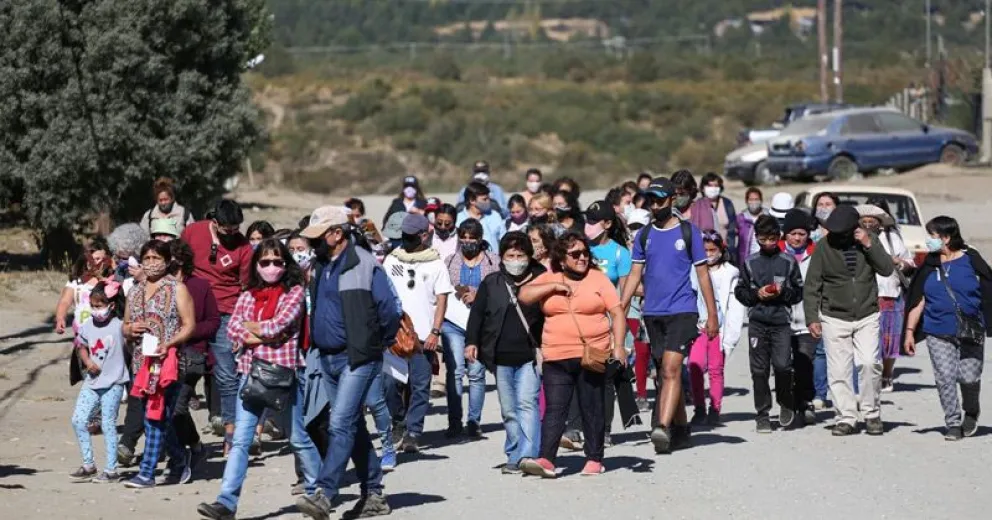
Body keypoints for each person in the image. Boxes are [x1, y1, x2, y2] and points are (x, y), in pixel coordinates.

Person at [197, 238, 320, 519]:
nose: (271, 267)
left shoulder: (295, 292)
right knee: (241, 440)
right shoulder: (247, 294)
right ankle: (226, 502)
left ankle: (317, 489)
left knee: (298, 437)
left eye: (278, 261)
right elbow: (232, 332)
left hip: (283, 374)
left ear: (285, 263)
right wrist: (262, 333)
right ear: (256, 265)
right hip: (250, 374)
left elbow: (280, 325)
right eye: (265, 262)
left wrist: (253, 332)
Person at [292, 207, 400, 520]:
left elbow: (390, 310)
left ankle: (324, 494)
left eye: (319, 235)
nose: (313, 243)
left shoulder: (365, 264)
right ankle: (374, 494)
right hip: (327, 358)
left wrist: (374, 343)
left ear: (337, 234)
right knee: (354, 427)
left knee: (340, 424)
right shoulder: (321, 265)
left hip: (358, 358)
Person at [620, 178, 718, 454]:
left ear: (672, 200)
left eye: (660, 200)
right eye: (651, 200)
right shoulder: (644, 235)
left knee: (671, 370)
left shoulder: (689, 233)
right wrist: (622, 306)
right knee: (664, 373)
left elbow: (702, 274)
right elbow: (635, 273)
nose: (655, 205)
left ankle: (662, 427)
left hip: (682, 311)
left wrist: (712, 314)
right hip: (653, 313)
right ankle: (683, 429)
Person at [518, 232, 626, 478]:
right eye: (575, 254)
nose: (582, 258)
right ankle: (546, 458)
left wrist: (618, 347)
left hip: (591, 353)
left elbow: (617, 313)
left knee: (592, 406)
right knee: (555, 408)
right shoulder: (549, 277)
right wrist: (553, 286)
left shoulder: (598, 279)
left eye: (585, 253)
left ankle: (594, 458)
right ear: (562, 258)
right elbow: (524, 296)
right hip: (556, 355)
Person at [804, 205, 894, 436]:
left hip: (867, 314)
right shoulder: (824, 246)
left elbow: (885, 269)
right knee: (839, 370)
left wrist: (868, 244)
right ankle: (845, 417)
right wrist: (812, 317)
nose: (838, 236)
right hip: (834, 316)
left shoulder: (869, 239)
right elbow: (812, 284)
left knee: (868, 363)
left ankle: (871, 413)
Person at [464, 231, 547, 473]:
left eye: (521, 254)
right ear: (502, 256)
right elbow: (477, 315)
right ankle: (513, 453)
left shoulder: (541, 278)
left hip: (529, 357)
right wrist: (472, 341)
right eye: (511, 255)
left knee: (527, 403)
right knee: (509, 410)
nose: (516, 259)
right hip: (500, 358)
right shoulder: (492, 282)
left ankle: (528, 455)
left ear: (529, 256)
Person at [903, 216, 991, 441]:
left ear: (947, 237)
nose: (928, 241)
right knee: (944, 377)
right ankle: (952, 422)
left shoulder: (971, 259)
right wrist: (910, 332)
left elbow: (988, 289)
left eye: (932, 236)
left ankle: (971, 413)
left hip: (970, 329)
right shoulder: (929, 265)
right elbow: (917, 300)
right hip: (937, 330)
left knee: (969, 376)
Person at [181, 200, 253, 454]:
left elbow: (246, 286)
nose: (232, 234)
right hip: (192, 308)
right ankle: (181, 437)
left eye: (236, 229)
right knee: (183, 370)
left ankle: (231, 434)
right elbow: (179, 261)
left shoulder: (244, 247)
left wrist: (242, 321)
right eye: (227, 230)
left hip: (226, 312)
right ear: (215, 223)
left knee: (226, 374)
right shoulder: (194, 232)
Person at [123, 240, 196, 488]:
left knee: (155, 415)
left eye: (157, 258)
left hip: (169, 362)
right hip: (141, 363)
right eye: (147, 258)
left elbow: (189, 325)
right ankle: (179, 459)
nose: (152, 263)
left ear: (167, 261)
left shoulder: (177, 289)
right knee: (156, 415)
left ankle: (147, 472)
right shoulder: (134, 291)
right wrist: (130, 329)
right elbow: (124, 325)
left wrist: (170, 343)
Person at [382, 213, 453, 453]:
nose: (406, 240)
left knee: (420, 385)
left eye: (411, 237)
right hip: (395, 335)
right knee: (390, 384)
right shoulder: (392, 260)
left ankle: (413, 431)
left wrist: (435, 331)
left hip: (424, 336)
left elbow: (442, 299)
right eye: (404, 236)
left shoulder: (435, 263)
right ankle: (398, 422)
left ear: (424, 235)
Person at [734, 215, 804, 432]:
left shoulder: (788, 262)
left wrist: (784, 292)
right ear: (757, 238)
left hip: (781, 322)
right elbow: (740, 291)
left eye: (773, 238)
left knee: (783, 366)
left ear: (779, 237)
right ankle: (762, 413)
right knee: (759, 370)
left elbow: (799, 292)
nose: (769, 243)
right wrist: (757, 294)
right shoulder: (749, 262)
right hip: (757, 322)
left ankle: (786, 402)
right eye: (764, 239)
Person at [440, 219, 498, 437]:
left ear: (480, 239)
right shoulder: (449, 261)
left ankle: (474, 421)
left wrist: (478, 294)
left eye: (471, 239)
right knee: (455, 371)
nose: (467, 243)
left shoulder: (494, 261)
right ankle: (454, 422)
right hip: (453, 322)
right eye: (462, 239)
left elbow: (499, 289)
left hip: (481, 324)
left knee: (476, 372)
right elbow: (442, 289)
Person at [168, 240, 219, 484]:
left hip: (192, 355)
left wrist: (188, 330)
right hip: (160, 355)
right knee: (163, 408)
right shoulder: (155, 288)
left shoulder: (200, 286)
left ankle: (183, 456)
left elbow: (213, 321)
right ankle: (194, 446)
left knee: (177, 407)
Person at [68, 281, 129, 483]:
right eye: (93, 306)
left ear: (111, 305)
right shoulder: (87, 326)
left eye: (99, 305)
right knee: (78, 420)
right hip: (92, 382)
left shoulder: (121, 326)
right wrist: (87, 362)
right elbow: (81, 345)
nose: (96, 310)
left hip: (114, 383)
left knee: (108, 424)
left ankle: (111, 470)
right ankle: (89, 464)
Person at [688, 231, 744, 426]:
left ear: (721, 250)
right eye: (705, 250)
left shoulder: (730, 274)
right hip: (699, 327)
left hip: (719, 330)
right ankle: (699, 407)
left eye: (713, 250)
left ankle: (715, 408)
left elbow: (735, 308)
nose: (709, 254)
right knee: (694, 367)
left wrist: (729, 339)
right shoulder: (694, 271)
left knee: (715, 370)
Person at [859, 201, 914, 393]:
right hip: (863, 295)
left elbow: (909, 261)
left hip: (889, 292)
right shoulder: (854, 238)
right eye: (864, 220)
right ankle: (869, 375)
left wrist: (898, 262)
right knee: (868, 339)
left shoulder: (892, 238)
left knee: (889, 338)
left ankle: (887, 374)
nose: (868, 224)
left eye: (872, 220)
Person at [781, 209, 819, 425]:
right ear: (785, 234)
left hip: (807, 320)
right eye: (793, 233)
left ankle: (806, 401)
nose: (797, 238)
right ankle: (788, 402)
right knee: (784, 365)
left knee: (805, 364)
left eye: (802, 234)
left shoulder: (816, 255)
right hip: (782, 323)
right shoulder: (776, 255)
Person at [55, 238, 114, 337]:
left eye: (99, 259)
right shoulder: (76, 282)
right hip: (82, 332)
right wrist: (60, 318)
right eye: (91, 259)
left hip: (106, 334)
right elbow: (65, 301)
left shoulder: (111, 281)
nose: (94, 263)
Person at [689, 173, 738, 263]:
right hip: (705, 253)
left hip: (725, 252)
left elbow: (732, 228)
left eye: (716, 185)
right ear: (703, 188)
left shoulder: (727, 204)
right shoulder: (696, 205)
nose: (713, 188)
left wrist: (729, 248)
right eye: (710, 185)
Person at [457, 181, 505, 250]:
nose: (489, 201)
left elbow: (504, 240)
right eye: (485, 199)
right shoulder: (458, 219)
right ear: (472, 200)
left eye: (489, 198)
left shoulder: (495, 216)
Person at [736, 187, 767, 264]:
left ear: (761, 200)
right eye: (751, 199)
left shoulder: (768, 217)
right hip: (747, 260)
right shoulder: (740, 218)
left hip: (765, 259)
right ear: (746, 201)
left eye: (756, 199)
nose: (754, 202)